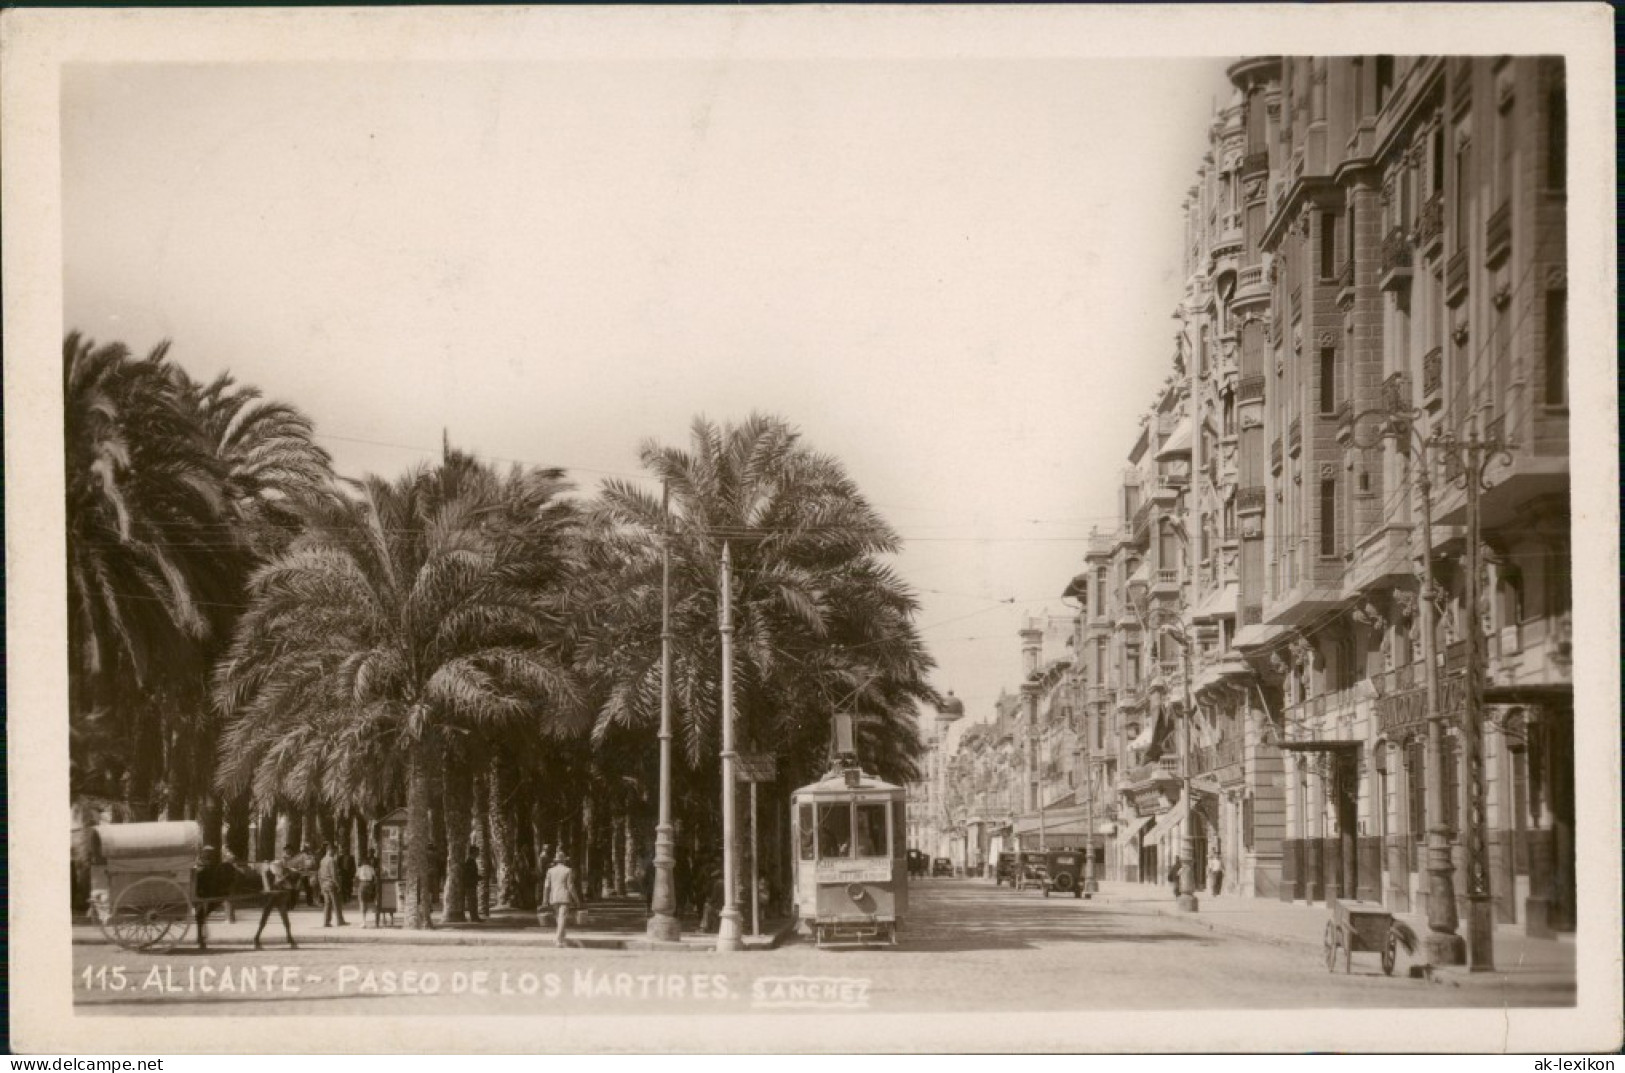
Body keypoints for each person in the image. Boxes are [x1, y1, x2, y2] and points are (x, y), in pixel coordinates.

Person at [254, 848, 299, 950]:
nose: (287, 858)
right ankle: (257, 937)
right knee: (265, 917)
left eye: (289, 857)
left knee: (284, 918)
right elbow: (277, 881)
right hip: (272, 894)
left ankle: (289, 937)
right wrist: (287, 877)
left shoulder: (285, 866)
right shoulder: (276, 865)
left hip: (279, 894)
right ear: (283, 855)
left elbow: (287, 882)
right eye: (286, 856)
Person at [541, 852, 580, 947]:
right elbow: (570, 886)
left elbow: (546, 886)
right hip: (564, 896)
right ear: (564, 860)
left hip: (554, 896)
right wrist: (576, 899)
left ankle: (562, 936)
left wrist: (545, 899)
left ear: (556, 860)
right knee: (562, 917)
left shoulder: (550, 871)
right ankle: (558, 939)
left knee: (558, 917)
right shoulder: (568, 870)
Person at [319, 843, 348, 927]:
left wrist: (321, 884)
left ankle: (326, 921)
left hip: (324, 884)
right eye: (334, 851)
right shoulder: (331, 860)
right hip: (331, 884)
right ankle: (340, 921)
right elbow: (334, 874)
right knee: (336, 903)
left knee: (327, 903)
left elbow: (319, 873)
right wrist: (338, 885)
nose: (335, 852)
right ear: (330, 850)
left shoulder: (323, 860)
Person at [356, 855, 379, 928]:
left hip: (362, 884)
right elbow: (375, 878)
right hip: (370, 884)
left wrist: (357, 886)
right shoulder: (371, 868)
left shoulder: (359, 869)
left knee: (362, 902)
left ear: (362, 862)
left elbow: (356, 878)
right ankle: (376, 921)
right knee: (372, 902)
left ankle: (363, 921)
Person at [460, 847, 482, 923]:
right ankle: (474, 917)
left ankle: (475, 917)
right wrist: (477, 878)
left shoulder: (471, 861)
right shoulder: (470, 862)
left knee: (473, 901)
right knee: (472, 901)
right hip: (470, 885)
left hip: (471, 884)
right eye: (477, 852)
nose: (478, 853)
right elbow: (469, 874)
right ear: (473, 852)